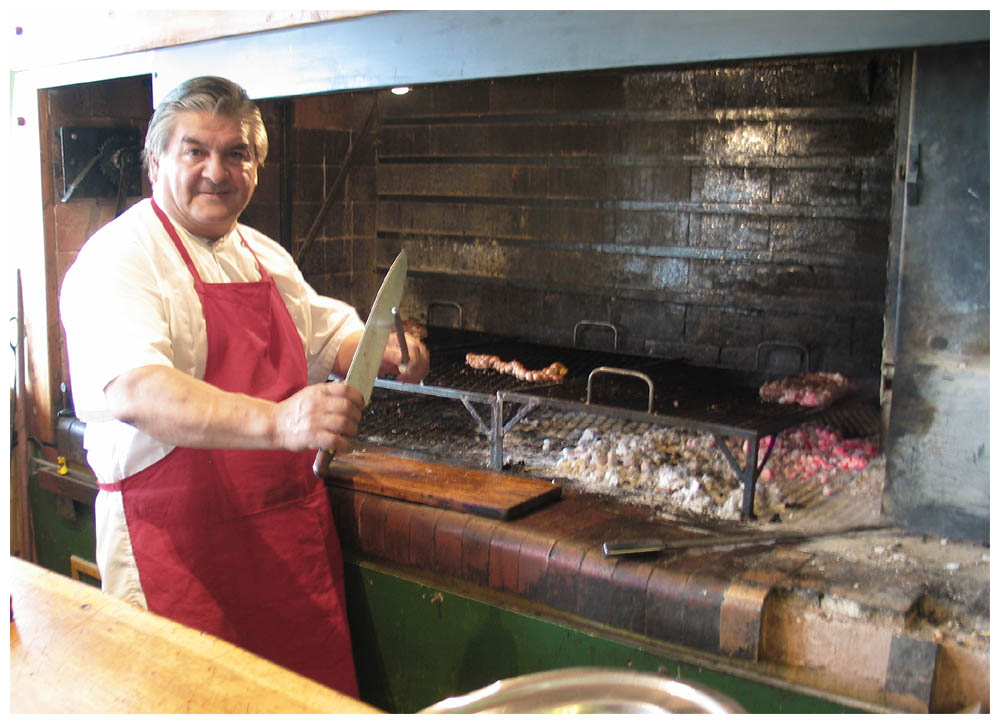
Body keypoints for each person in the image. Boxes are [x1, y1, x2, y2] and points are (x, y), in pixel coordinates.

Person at [59, 75, 429, 697]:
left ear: (255, 168)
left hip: (285, 549)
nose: (216, 171)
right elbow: (137, 389)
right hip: (178, 552)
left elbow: (323, 328)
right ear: (156, 162)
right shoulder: (118, 259)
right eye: (195, 151)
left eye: (237, 154)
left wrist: (384, 350)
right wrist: (281, 422)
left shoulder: (262, 254)